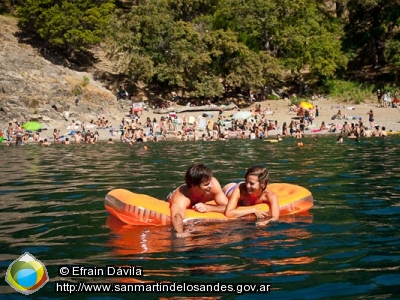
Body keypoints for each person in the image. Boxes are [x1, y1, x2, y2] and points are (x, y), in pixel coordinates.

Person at [166, 163, 228, 238]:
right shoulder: (182, 197)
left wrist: (209, 208)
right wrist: (180, 232)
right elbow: (177, 216)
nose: (211, 185)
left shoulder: (213, 184)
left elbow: (228, 207)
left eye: (210, 181)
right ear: (193, 186)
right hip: (172, 198)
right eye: (206, 184)